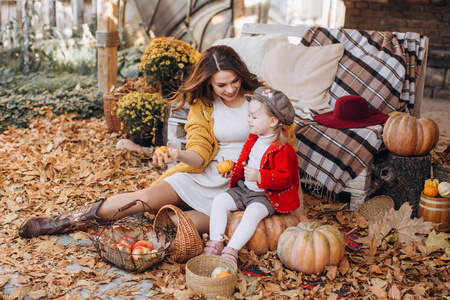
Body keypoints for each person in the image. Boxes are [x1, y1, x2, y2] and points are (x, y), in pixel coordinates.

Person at [18, 45, 267, 238]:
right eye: (221, 84)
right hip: (203, 172)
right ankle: (65, 221)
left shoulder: (261, 99)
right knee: (145, 198)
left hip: (238, 187)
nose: (230, 89)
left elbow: (281, 144)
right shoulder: (204, 106)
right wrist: (177, 155)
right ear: (209, 82)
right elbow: (200, 155)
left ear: (240, 75)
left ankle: (147, 223)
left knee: (175, 225)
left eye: (234, 81)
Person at [202, 87, 300, 264]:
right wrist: (234, 170)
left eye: (254, 117)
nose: (249, 120)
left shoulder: (283, 149)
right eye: (248, 115)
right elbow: (246, 162)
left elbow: (284, 178)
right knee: (219, 202)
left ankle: (232, 249)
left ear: (272, 121)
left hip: (266, 196)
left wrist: (261, 176)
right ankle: (216, 242)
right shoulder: (254, 139)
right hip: (245, 190)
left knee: (252, 214)